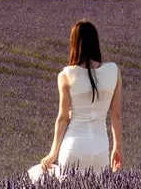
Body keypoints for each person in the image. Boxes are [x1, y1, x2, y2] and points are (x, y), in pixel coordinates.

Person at [28, 20, 123, 180]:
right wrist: (117, 148)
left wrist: (53, 153)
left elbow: (63, 118)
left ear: (74, 44)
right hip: (100, 150)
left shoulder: (66, 75)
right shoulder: (113, 71)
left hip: (74, 147)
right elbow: (116, 116)